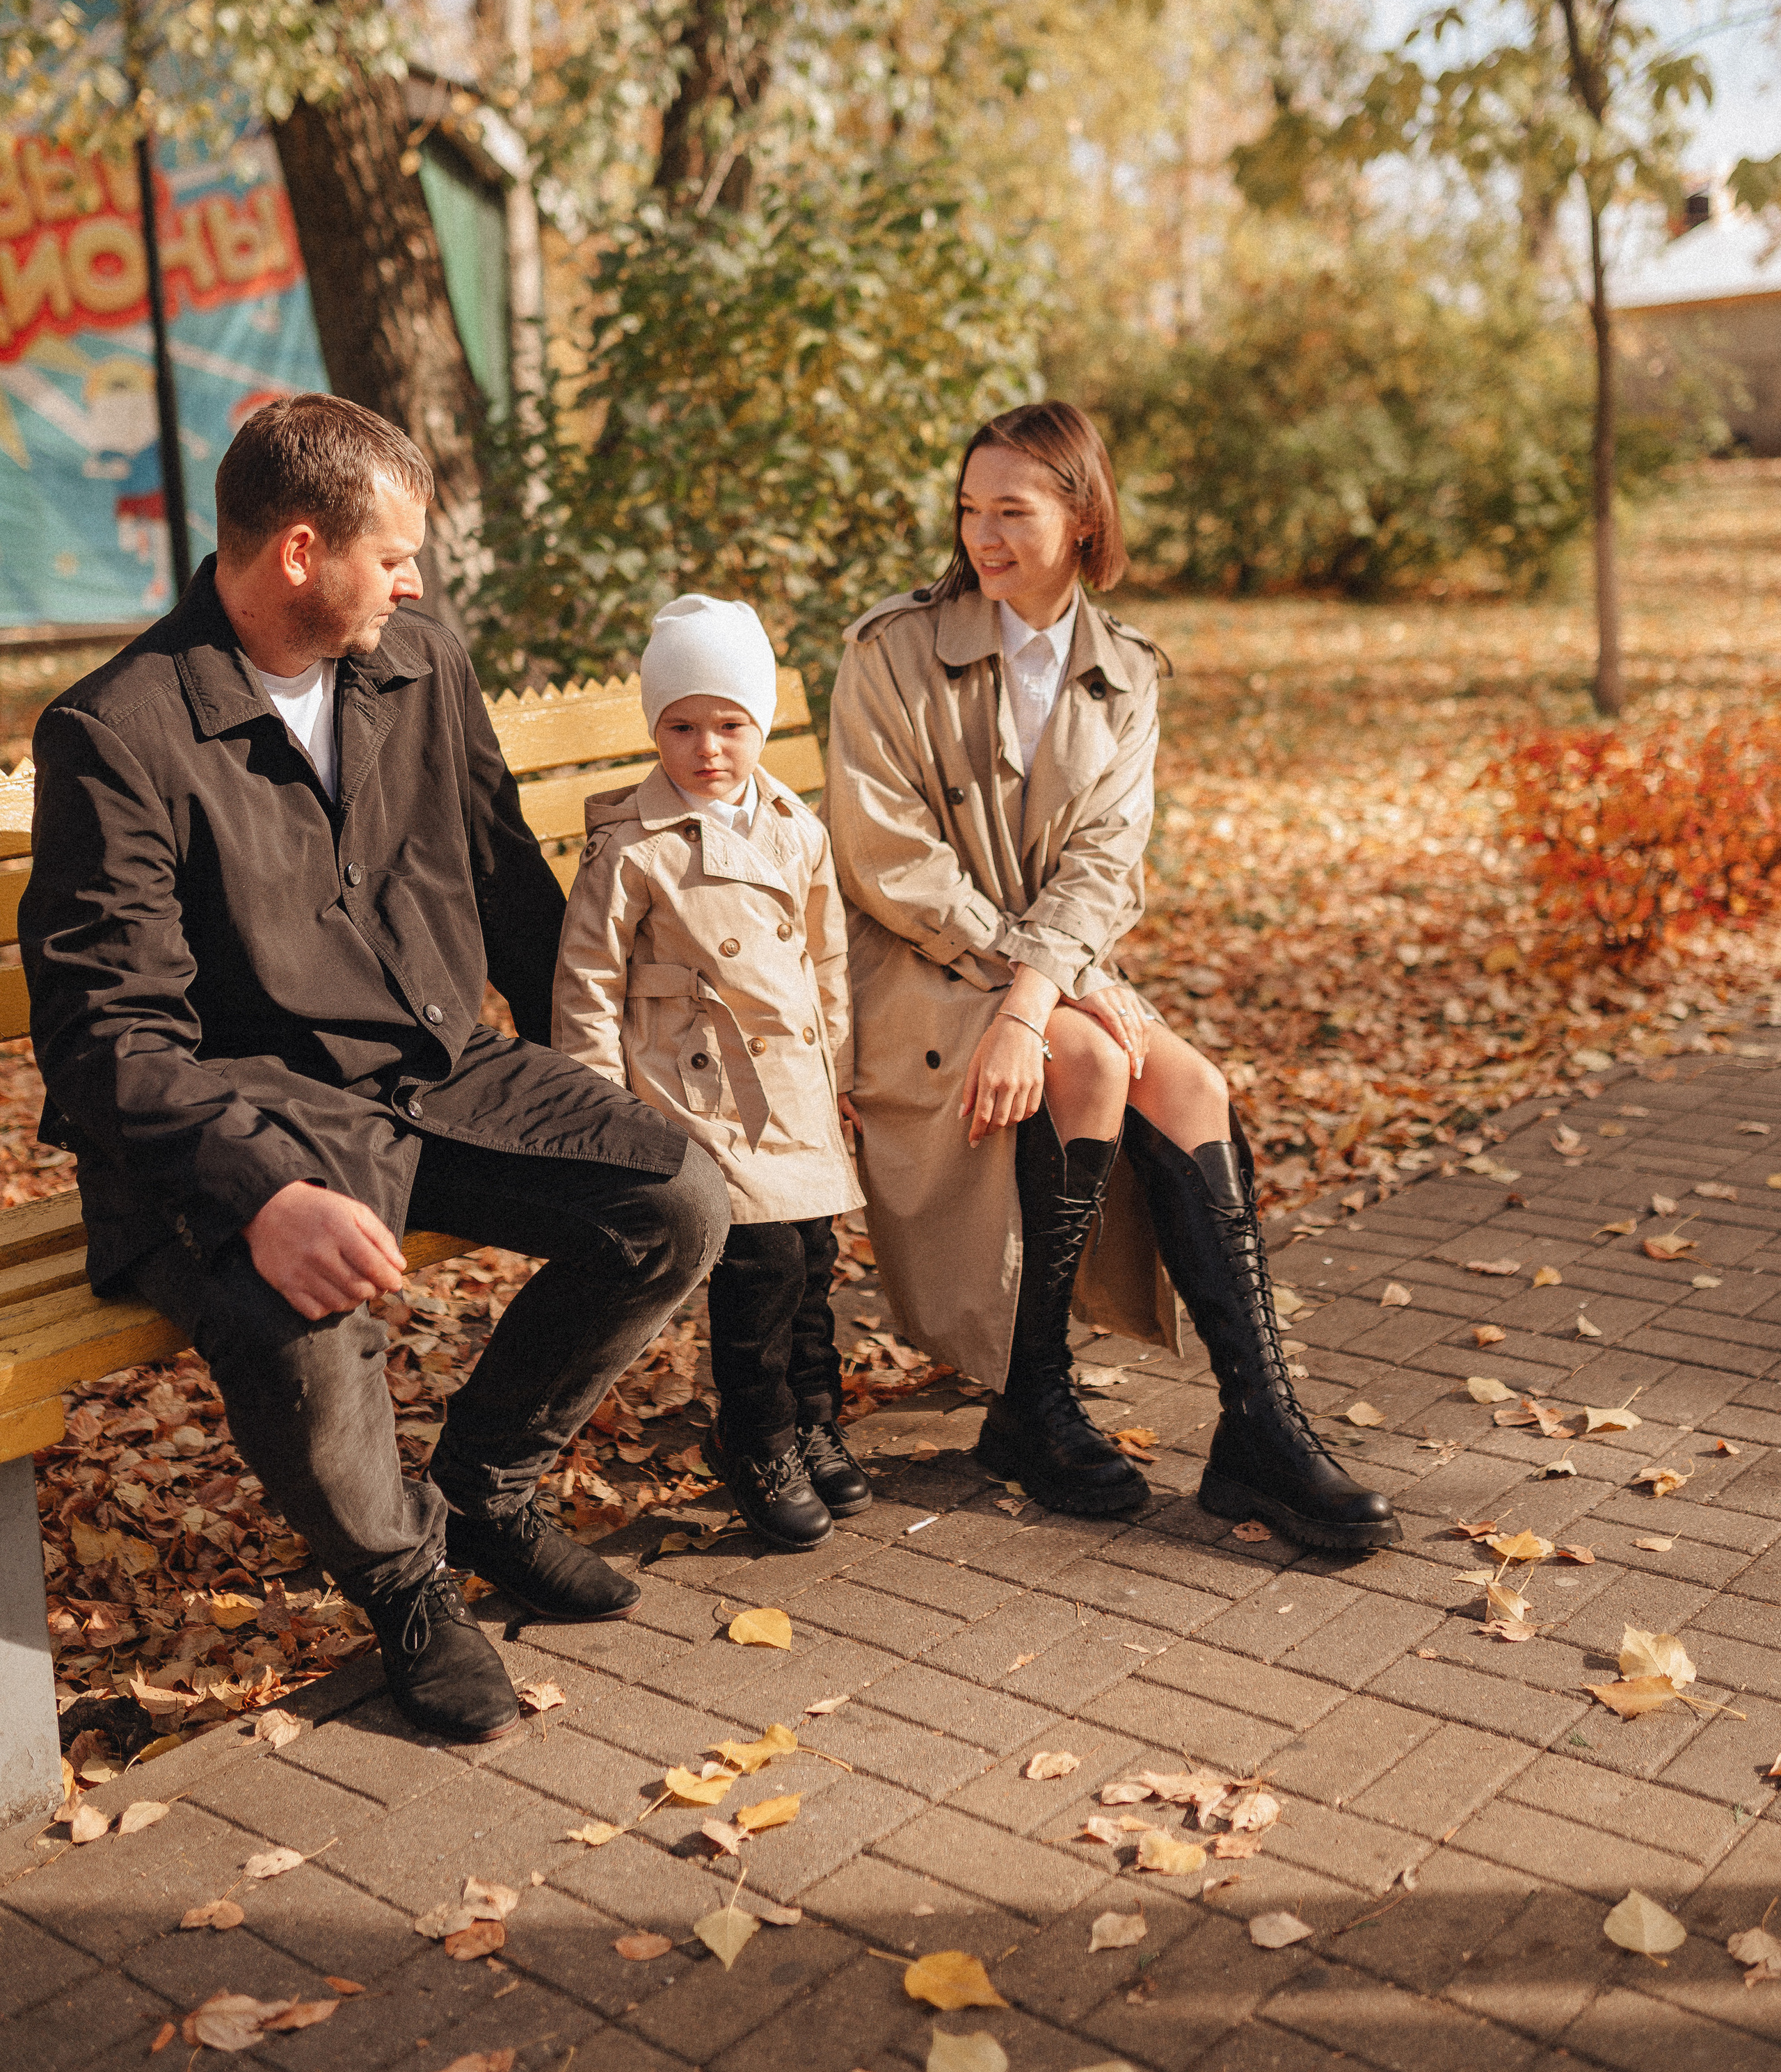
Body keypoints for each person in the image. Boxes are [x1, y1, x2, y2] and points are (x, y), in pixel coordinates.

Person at [20, 395, 729, 1747]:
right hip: (240, 1111)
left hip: (434, 1064)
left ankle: (487, 1488)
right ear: (299, 550)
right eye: (393, 551)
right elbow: (108, 1037)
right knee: (300, 1322)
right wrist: (259, 1191)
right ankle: (409, 1588)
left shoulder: (420, 658)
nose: (412, 579)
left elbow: (502, 866)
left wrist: (592, 1067)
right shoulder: (117, 732)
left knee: (672, 1198)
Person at [824, 400, 1398, 1551]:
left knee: (1194, 1087)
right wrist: (1034, 988)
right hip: (916, 967)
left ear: (1083, 518)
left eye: (1014, 512)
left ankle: (1259, 1426)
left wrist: (1035, 990)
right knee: (1085, 1055)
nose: (984, 536)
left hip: (1045, 970)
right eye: (970, 510)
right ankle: (1032, 1398)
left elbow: (1107, 861)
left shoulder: (1125, 671)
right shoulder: (891, 649)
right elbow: (889, 860)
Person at [553, 594, 870, 1553]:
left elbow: (826, 961)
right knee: (760, 1263)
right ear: (657, 729)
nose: (708, 749)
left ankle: (812, 1415)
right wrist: (601, 1109)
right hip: (699, 1085)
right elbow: (589, 978)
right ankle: (755, 1430)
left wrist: (841, 1072)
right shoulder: (633, 844)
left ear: (759, 725)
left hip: (796, 1084)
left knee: (812, 1255)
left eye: (730, 724)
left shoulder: (793, 827)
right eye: (681, 726)